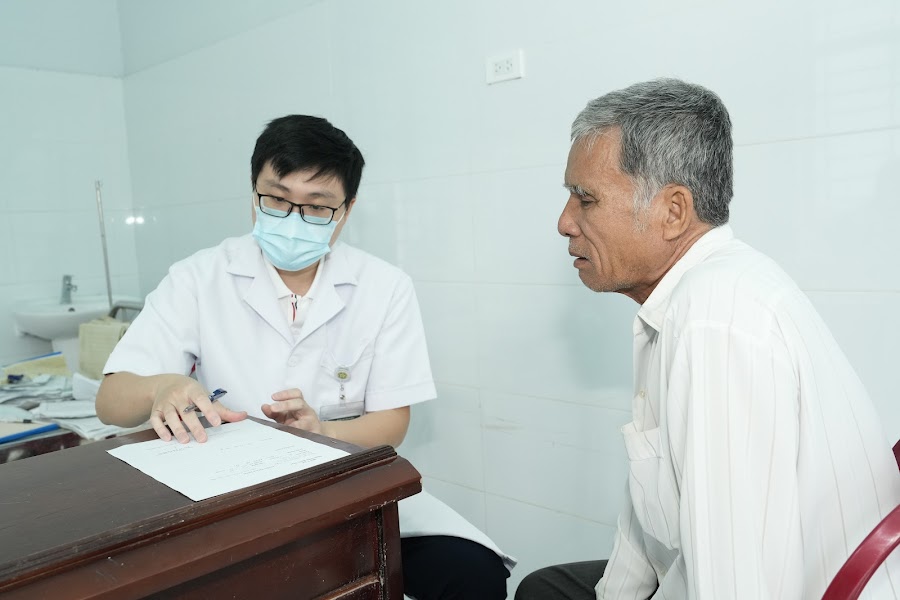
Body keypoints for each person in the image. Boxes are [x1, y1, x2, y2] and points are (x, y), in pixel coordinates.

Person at [96, 115, 514, 599]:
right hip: (231, 498)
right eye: (277, 199)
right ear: (253, 193)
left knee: (473, 574)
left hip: (342, 489)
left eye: (316, 207)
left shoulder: (383, 287)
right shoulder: (198, 277)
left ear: (347, 210)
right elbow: (110, 401)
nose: (293, 219)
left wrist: (323, 433)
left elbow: (393, 422)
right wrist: (161, 386)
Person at [515, 79, 900, 599]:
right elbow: (647, 507)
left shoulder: (715, 319)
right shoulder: (682, 300)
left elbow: (736, 583)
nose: (565, 223)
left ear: (673, 211)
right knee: (545, 588)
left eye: (586, 199)